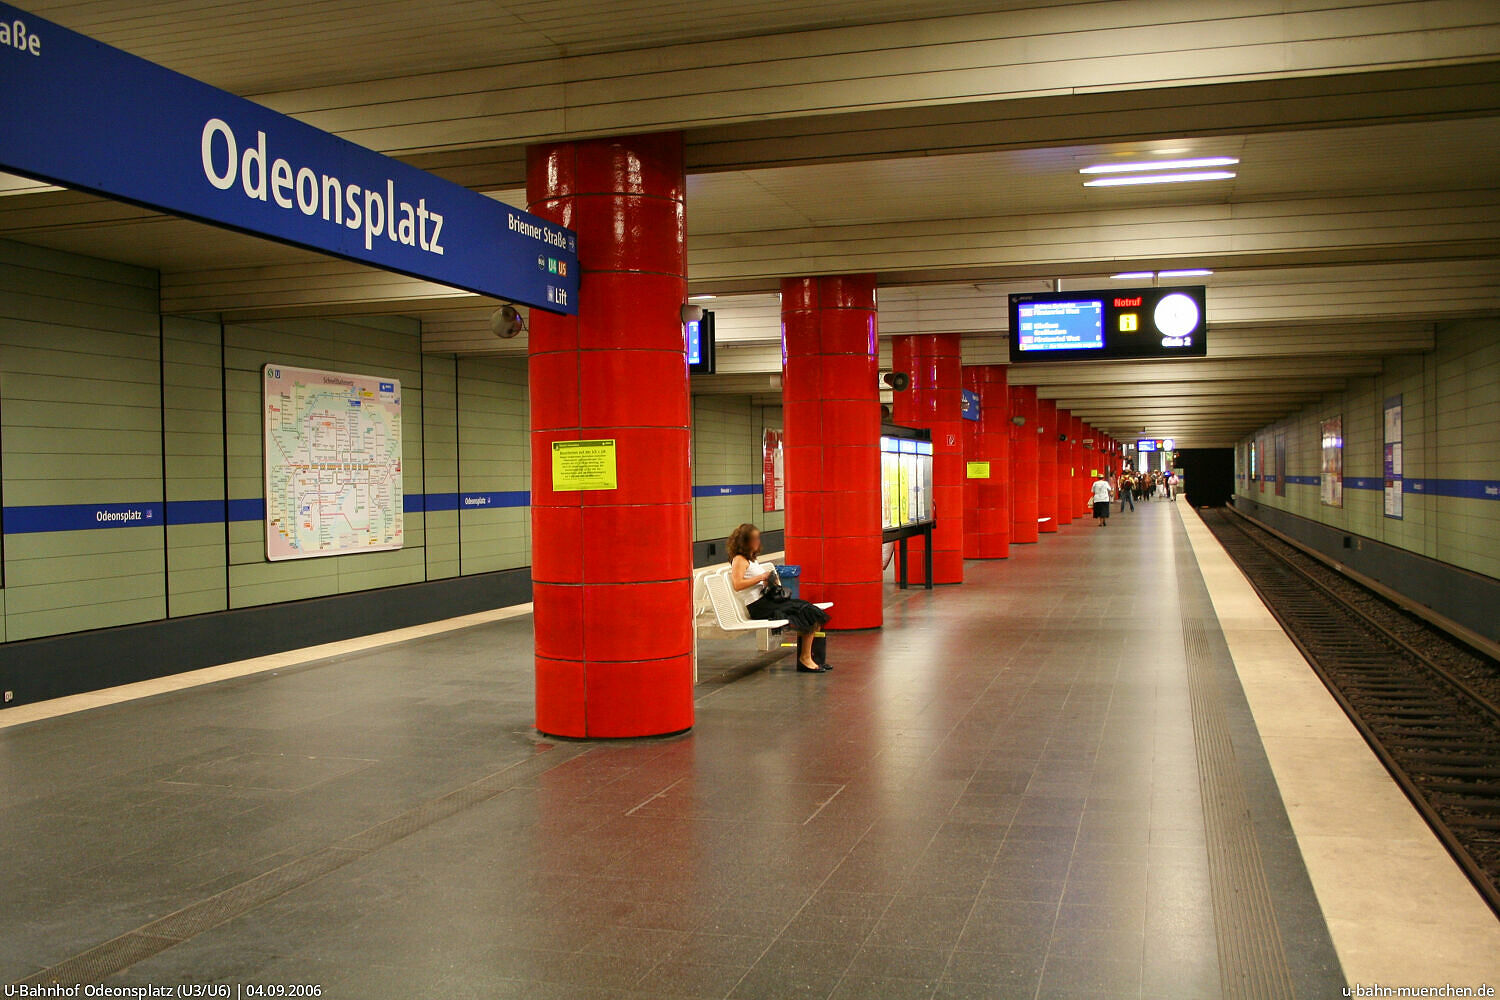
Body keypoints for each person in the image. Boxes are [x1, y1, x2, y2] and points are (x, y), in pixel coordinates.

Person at [727, 523, 831, 673]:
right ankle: (805, 659)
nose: (757, 542)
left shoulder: (751, 559)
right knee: (806, 612)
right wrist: (760, 577)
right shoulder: (739, 559)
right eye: (754, 539)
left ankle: (811, 658)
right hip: (759, 606)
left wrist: (768, 581)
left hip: (767, 600)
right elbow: (737, 584)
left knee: (810, 609)